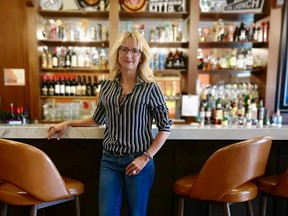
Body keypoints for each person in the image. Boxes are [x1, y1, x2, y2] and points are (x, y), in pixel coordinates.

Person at [47, 30, 172, 216]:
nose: (129, 55)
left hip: (138, 160)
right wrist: (69, 123)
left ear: (141, 56)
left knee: (137, 213)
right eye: (124, 49)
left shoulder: (151, 87)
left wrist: (145, 157)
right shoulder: (107, 86)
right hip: (110, 161)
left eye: (135, 51)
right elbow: (97, 119)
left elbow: (165, 127)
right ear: (117, 53)